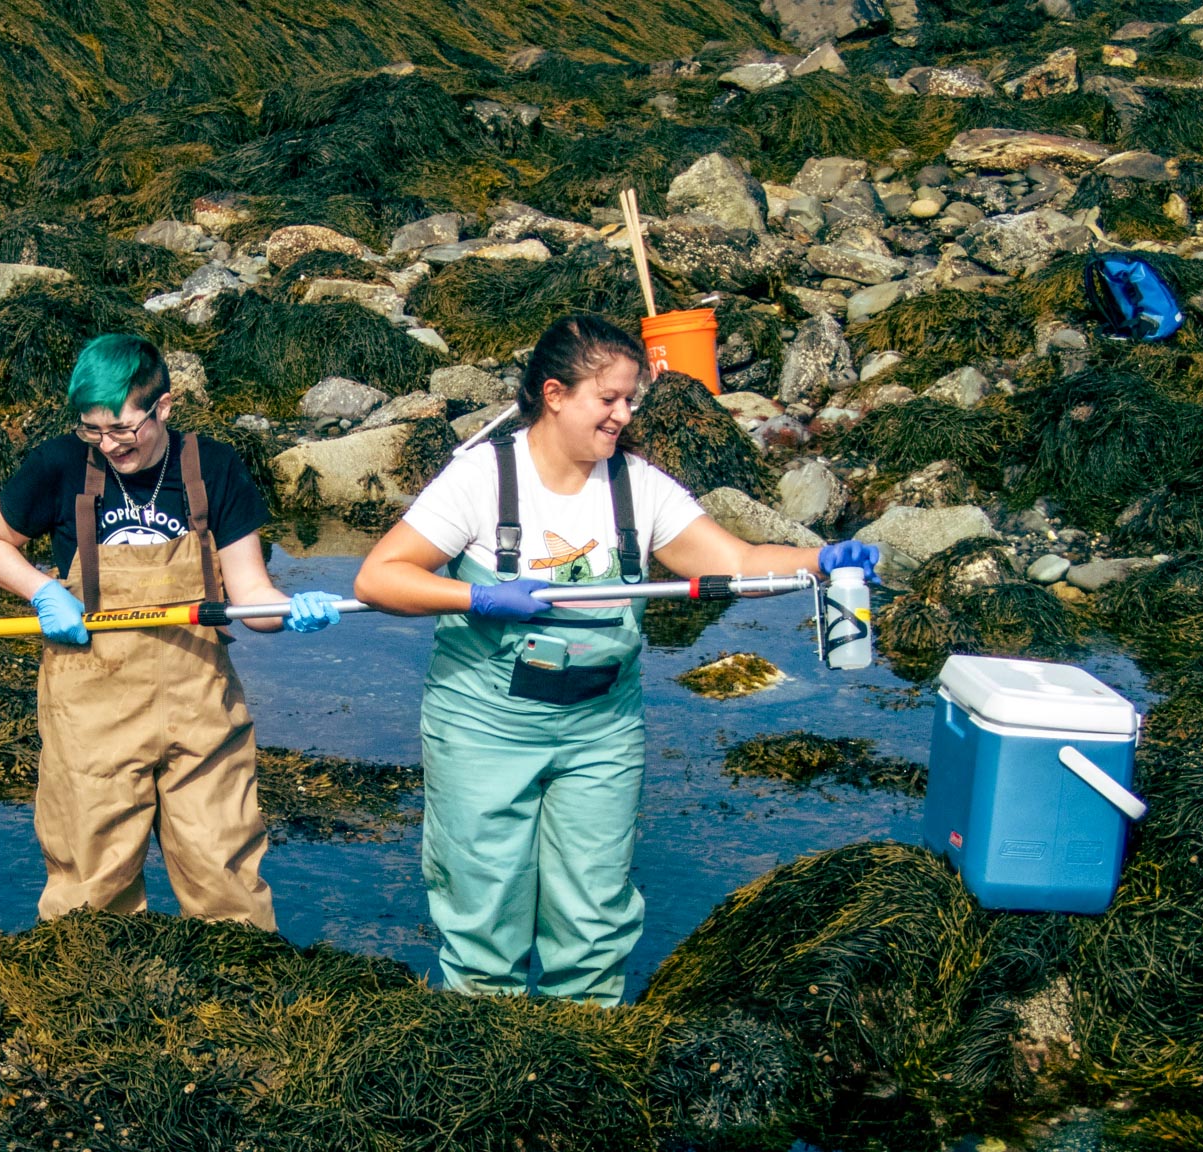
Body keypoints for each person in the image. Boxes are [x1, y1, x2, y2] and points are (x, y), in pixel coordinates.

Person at [354, 315, 879, 1005]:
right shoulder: (482, 480)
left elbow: (741, 562)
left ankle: (585, 1045)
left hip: (603, 729)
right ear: (555, 394)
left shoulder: (638, 488)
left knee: (594, 910)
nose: (624, 416)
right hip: (485, 727)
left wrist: (818, 559)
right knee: (485, 903)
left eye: (631, 400)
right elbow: (379, 577)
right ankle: (483, 1048)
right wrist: (478, 597)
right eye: (609, 399)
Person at [0, 333, 344, 931]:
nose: (109, 446)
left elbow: (252, 599)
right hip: (91, 711)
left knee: (225, 875)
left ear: (164, 406)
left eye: (122, 429)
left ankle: (237, 1007)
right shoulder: (59, 465)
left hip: (201, 710)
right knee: (89, 888)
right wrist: (41, 590)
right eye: (93, 430)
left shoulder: (212, 468)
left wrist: (293, 610)